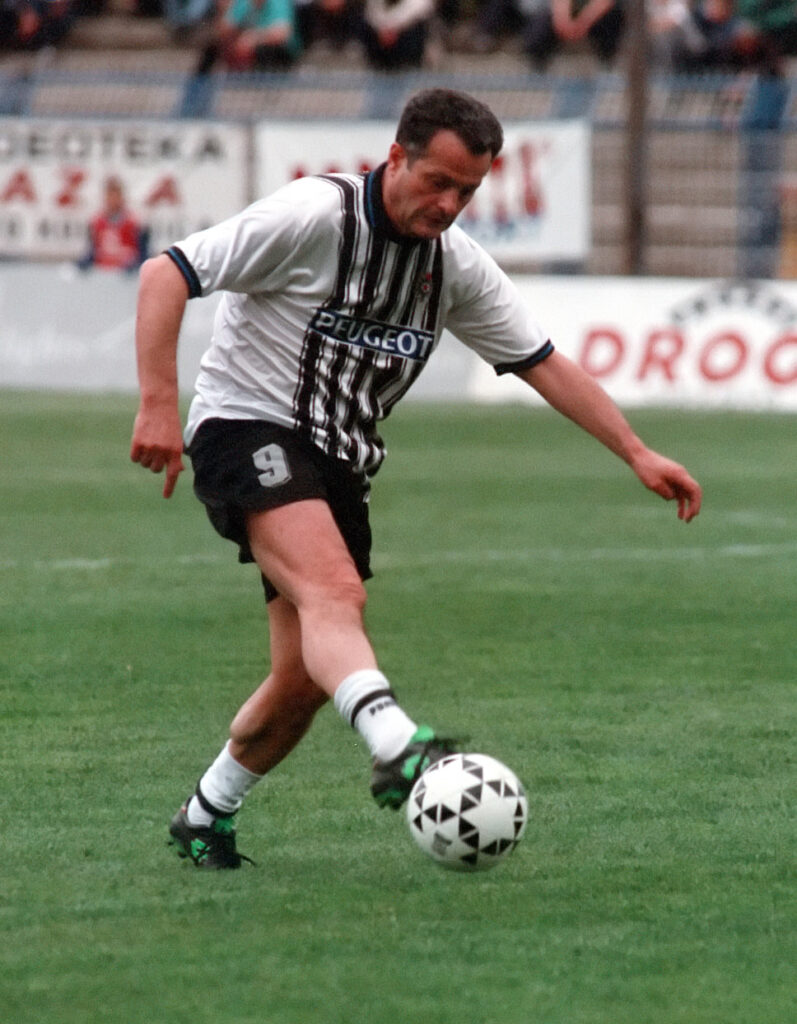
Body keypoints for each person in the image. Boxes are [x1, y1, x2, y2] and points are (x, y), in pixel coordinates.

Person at [130, 88, 702, 870]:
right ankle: (400, 745)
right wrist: (159, 404)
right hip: (245, 426)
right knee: (338, 595)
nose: (449, 203)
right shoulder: (313, 215)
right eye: (436, 181)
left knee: (302, 677)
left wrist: (636, 452)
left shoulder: (452, 267)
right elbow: (166, 274)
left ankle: (205, 814)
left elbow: (541, 363)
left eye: (466, 191)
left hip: (341, 463)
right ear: (394, 156)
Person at [78, 176, 147, 273]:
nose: (113, 200)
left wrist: (134, 265)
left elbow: (143, 255)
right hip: (103, 273)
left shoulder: (135, 223)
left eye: (116, 196)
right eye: (110, 196)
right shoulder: (97, 223)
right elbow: (92, 252)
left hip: (126, 274)